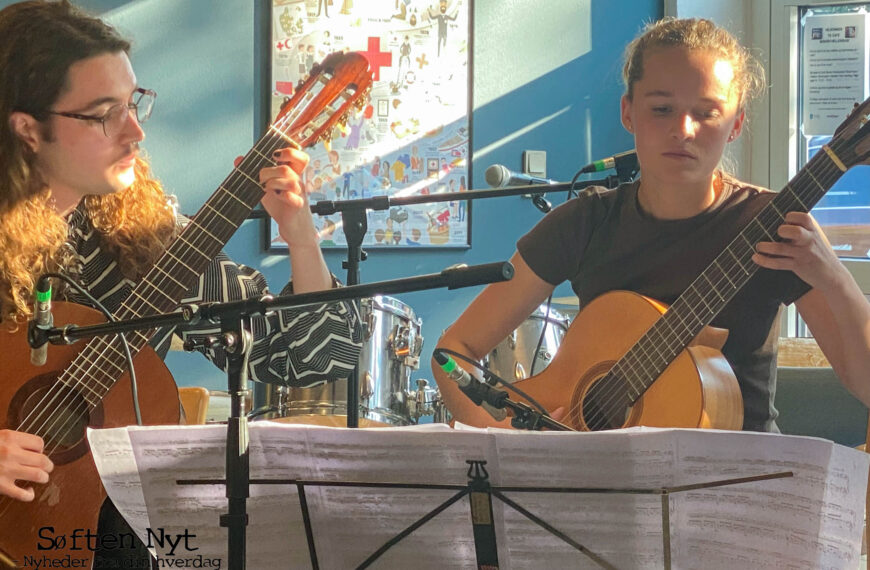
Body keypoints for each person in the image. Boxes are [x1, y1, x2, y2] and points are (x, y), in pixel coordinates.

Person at [0, 0, 361, 563]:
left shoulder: (144, 239)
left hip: (101, 540)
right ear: (27, 130)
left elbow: (314, 359)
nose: (135, 130)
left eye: (134, 102)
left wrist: (300, 236)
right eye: (104, 113)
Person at [433, 17, 870, 432]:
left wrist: (834, 278)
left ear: (736, 125)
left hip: (735, 483)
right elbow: (453, 352)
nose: (683, 129)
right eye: (661, 109)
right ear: (628, 113)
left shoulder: (776, 226)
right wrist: (496, 436)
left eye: (707, 113)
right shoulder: (585, 222)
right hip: (597, 490)